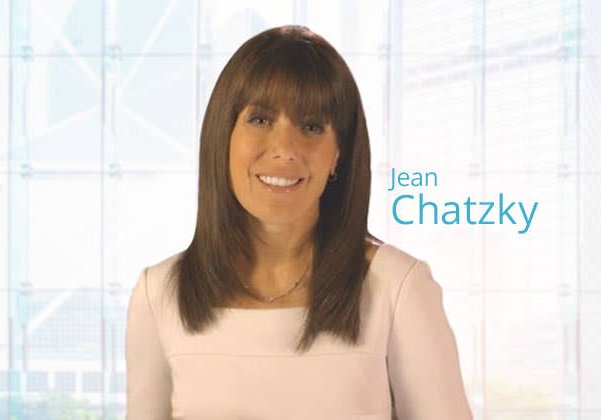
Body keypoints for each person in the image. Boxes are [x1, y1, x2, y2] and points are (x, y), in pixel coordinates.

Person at [126, 25, 472, 420]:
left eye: (311, 126)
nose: (285, 150)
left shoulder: (399, 287)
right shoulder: (158, 294)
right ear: (223, 137)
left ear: (338, 154)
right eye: (260, 119)